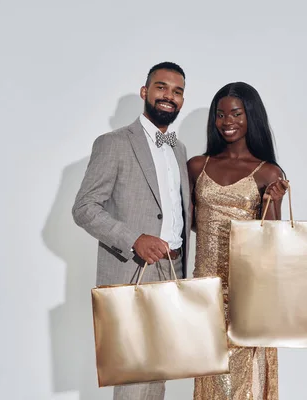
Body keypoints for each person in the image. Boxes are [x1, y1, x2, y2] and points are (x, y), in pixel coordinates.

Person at [72, 61, 191, 400]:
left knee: (159, 373)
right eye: (161, 87)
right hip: (133, 271)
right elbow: (84, 208)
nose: (169, 96)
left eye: (177, 91)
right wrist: (134, 239)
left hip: (173, 270)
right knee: (135, 376)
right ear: (145, 92)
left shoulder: (178, 149)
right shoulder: (114, 143)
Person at [187, 82, 289, 400]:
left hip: (248, 292)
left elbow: (271, 238)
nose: (227, 121)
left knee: (245, 385)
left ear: (250, 117)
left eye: (235, 113)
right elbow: (190, 225)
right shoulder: (196, 166)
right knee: (211, 382)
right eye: (220, 114)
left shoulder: (267, 172)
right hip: (205, 292)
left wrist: (275, 203)